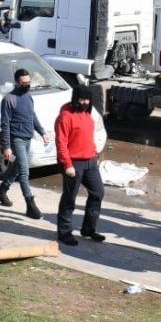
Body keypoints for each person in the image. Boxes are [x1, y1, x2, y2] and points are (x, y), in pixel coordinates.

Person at [0, 67, 51, 219]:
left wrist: (42, 132)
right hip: (16, 139)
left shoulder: (28, 96)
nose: (27, 85)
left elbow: (32, 116)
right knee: (24, 171)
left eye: (29, 82)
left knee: (18, 168)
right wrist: (6, 146)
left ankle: (1, 192)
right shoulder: (9, 100)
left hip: (27, 138)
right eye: (24, 82)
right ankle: (30, 205)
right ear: (17, 83)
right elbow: (5, 124)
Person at [54, 84, 104, 246]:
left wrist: (95, 153)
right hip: (73, 162)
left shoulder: (88, 113)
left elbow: (90, 135)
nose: (85, 102)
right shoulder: (66, 116)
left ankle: (89, 229)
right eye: (82, 99)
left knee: (98, 193)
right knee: (70, 198)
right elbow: (61, 142)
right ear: (75, 98)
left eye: (87, 99)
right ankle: (64, 232)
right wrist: (67, 164)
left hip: (90, 161)